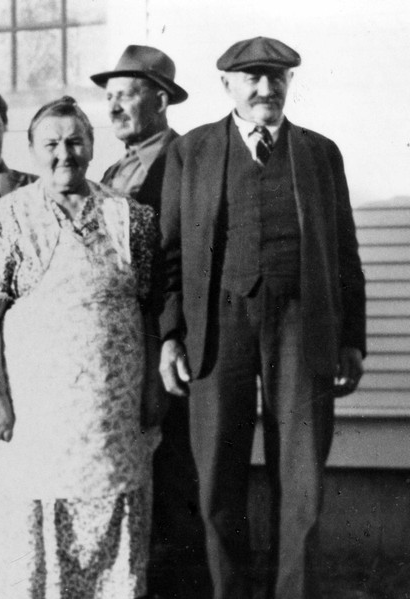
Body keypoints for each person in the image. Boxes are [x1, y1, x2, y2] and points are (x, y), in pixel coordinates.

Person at [158, 37, 366, 599]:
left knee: (300, 475)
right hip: (217, 324)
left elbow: (344, 252)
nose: (265, 89)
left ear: (289, 83)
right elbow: (171, 253)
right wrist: (171, 334)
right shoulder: (192, 152)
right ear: (226, 84)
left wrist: (352, 339)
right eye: (251, 77)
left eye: (276, 77)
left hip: (302, 320)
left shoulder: (320, 153)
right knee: (217, 475)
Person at [0, 96, 161, 599]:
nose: (64, 153)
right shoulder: (3, 218)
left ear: (93, 147)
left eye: (75, 141)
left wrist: (152, 396)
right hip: (33, 420)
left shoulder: (131, 218)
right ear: (31, 151)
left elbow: (151, 309)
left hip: (110, 420)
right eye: (50, 143)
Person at [91, 45, 210, 597]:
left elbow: (188, 253)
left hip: (171, 333)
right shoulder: (114, 167)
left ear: (160, 99)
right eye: (109, 95)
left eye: (127, 93)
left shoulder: (189, 158)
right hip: (122, 335)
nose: (114, 106)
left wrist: (175, 332)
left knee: (176, 466)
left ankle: (182, 585)